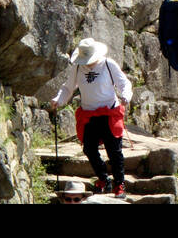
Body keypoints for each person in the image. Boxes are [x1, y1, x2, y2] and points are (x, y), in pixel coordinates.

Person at [48, 36, 133, 197]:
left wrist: (125, 96)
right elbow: (68, 87)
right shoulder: (78, 68)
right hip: (89, 115)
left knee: (114, 151)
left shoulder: (108, 64)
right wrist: (58, 99)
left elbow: (124, 83)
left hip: (109, 112)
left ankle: (119, 184)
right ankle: (103, 178)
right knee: (89, 148)